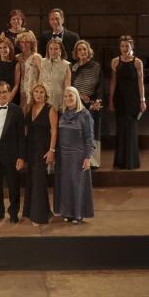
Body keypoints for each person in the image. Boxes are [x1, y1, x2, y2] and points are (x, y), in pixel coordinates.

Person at [0, 82, 28, 223]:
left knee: (13, 186)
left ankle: (14, 212)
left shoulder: (17, 111)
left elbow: (22, 136)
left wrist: (21, 156)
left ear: (9, 93)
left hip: (12, 155)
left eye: (4, 92)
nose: (2, 94)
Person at [56, 86, 96, 223]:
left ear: (77, 97)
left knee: (78, 185)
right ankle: (67, 212)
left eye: (71, 96)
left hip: (78, 155)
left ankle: (78, 215)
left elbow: (89, 137)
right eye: (66, 96)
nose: (68, 99)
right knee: (66, 184)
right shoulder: (62, 113)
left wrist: (88, 157)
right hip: (63, 156)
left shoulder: (85, 114)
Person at [110, 34, 148, 170]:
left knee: (131, 128)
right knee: (120, 128)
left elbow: (140, 82)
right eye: (122, 46)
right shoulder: (115, 61)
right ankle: (120, 162)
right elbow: (113, 81)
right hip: (120, 99)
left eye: (127, 46)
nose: (124, 48)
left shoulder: (137, 62)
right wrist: (111, 99)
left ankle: (131, 162)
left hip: (133, 99)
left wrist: (142, 100)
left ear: (132, 46)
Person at [22, 84, 58, 225]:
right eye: (36, 91)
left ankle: (39, 216)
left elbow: (54, 131)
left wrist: (52, 150)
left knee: (39, 182)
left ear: (45, 94)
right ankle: (31, 212)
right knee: (31, 180)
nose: (38, 94)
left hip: (43, 150)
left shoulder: (50, 109)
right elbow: (26, 130)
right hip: (30, 150)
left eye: (41, 92)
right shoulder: (30, 108)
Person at [69, 39, 105, 167]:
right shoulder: (72, 67)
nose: (82, 51)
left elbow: (101, 87)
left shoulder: (96, 66)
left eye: (84, 49)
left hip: (93, 105)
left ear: (88, 51)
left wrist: (97, 101)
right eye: (79, 50)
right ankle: (80, 160)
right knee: (78, 133)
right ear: (76, 53)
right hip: (77, 104)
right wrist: (79, 96)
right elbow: (70, 86)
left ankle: (93, 162)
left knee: (92, 132)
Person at [15, 32, 44, 116]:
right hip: (21, 90)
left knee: (33, 114)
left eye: (27, 42)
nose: (24, 44)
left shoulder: (36, 56)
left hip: (33, 90)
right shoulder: (17, 57)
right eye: (22, 42)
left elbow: (43, 74)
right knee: (22, 114)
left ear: (31, 43)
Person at [41, 38, 72, 111]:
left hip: (58, 101)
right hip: (42, 100)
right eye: (50, 49)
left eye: (56, 49)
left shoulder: (66, 65)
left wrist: (66, 104)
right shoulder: (42, 62)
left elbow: (67, 87)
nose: (53, 51)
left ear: (60, 50)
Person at [0, 37, 18, 108]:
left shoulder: (16, 64)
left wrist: (9, 99)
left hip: (11, 97)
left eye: (5, 47)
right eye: (0, 48)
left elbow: (16, 84)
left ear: (10, 49)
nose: (2, 50)